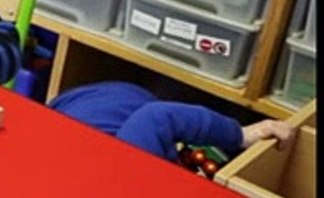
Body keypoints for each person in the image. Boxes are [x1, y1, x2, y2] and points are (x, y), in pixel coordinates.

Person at [49, 81, 297, 165]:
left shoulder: (132, 161)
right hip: (63, 111)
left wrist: (240, 135)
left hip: (125, 98)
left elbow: (157, 116)